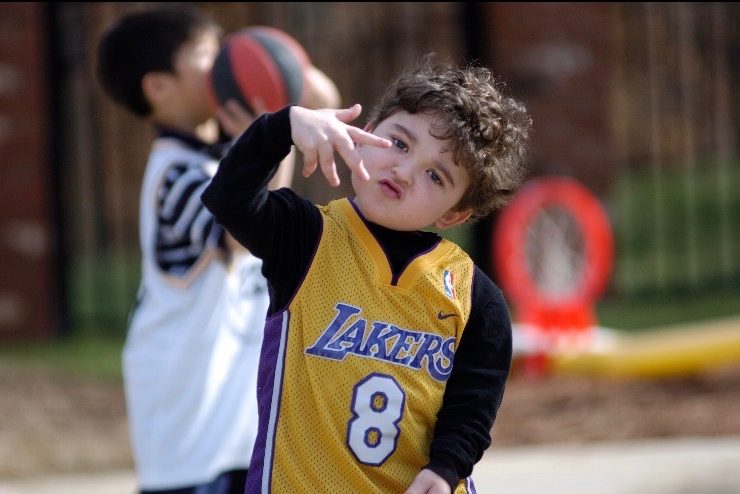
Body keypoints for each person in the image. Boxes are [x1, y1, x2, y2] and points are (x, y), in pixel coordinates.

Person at [201, 56, 532, 493]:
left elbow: (474, 403)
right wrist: (284, 127)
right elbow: (228, 198)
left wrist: (446, 467)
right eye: (400, 143)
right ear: (367, 130)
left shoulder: (474, 297)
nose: (405, 171)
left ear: (454, 213)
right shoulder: (304, 237)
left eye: (436, 175)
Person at [95, 5, 339, 493]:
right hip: (185, 408)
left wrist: (287, 75)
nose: (224, 61)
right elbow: (242, 227)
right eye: (206, 55)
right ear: (159, 87)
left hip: (234, 407)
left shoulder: (231, 148)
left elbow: (324, 97)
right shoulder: (172, 175)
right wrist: (271, 137)